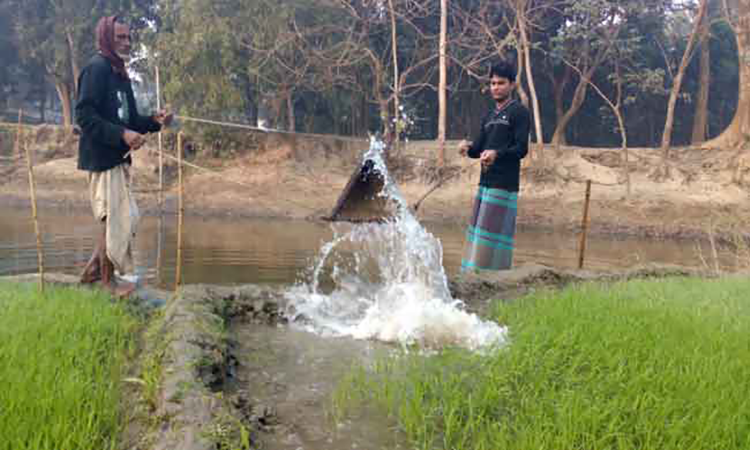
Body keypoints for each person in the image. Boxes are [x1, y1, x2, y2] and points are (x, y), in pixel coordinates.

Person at [76, 15, 172, 295]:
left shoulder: (119, 73)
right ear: (106, 37)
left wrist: (156, 121)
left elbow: (131, 119)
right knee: (117, 218)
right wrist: (121, 135)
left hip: (118, 158)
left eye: (128, 37)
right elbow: (84, 115)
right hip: (101, 158)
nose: (127, 42)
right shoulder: (96, 69)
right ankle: (107, 282)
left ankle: (94, 270)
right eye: (120, 37)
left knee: (122, 216)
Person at [458, 61, 530, 272]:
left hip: (504, 184)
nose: (495, 87)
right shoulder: (489, 117)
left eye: (501, 83)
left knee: (493, 240)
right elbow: (479, 149)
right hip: (485, 183)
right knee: (479, 234)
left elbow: (521, 149)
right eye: (492, 83)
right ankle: (472, 275)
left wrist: (496, 154)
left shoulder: (519, 112)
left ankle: (491, 277)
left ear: (512, 85)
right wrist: (467, 148)